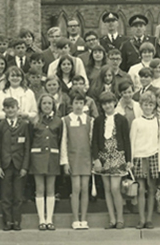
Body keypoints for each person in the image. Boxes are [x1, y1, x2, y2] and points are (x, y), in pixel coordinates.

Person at [92, 92, 131, 230]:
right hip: (103, 157)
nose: (107, 105)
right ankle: (112, 219)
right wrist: (96, 159)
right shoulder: (98, 120)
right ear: (101, 106)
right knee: (107, 189)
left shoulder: (121, 119)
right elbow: (95, 141)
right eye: (104, 103)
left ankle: (120, 218)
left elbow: (127, 140)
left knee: (115, 188)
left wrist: (128, 159)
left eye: (109, 102)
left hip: (118, 156)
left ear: (114, 103)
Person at [0, 97, 30, 231]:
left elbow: (27, 147)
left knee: (18, 195)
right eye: (7, 108)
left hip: (19, 165)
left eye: (13, 107)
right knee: (6, 195)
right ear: (3, 109)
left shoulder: (24, 125)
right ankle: (7, 221)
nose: (10, 110)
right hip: (5, 165)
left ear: (17, 108)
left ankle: (16, 221)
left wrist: (25, 167)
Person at [60, 90, 93, 230]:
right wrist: (65, 161)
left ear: (84, 104)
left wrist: (93, 160)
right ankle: (75, 219)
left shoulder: (90, 120)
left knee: (85, 189)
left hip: (86, 158)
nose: (78, 106)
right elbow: (63, 142)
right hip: (73, 158)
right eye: (76, 103)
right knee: (76, 189)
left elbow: (92, 142)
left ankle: (83, 219)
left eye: (81, 103)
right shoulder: (65, 120)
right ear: (71, 104)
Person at [30, 94, 63, 231]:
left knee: (51, 189)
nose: (47, 106)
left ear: (53, 105)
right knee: (40, 189)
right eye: (44, 103)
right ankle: (41, 219)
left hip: (52, 157)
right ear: (40, 105)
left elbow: (60, 138)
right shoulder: (35, 121)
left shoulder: (58, 121)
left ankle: (49, 219)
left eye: (50, 103)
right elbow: (31, 138)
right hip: (37, 157)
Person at [129, 92, 160, 229]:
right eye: (145, 104)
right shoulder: (136, 122)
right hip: (139, 157)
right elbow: (132, 141)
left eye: (150, 104)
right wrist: (130, 161)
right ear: (141, 106)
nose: (148, 107)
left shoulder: (158, 121)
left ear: (154, 106)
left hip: (153, 156)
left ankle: (149, 219)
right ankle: (141, 219)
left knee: (152, 189)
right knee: (141, 189)